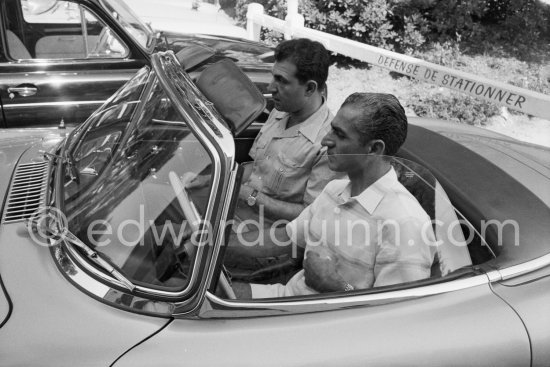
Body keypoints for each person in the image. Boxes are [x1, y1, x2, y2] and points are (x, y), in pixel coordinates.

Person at [230, 92, 436, 298]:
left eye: (340, 134)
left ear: (374, 148)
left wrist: (334, 286)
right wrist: (212, 246)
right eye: (331, 130)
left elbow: (393, 315)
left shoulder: (406, 223)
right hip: (288, 298)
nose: (326, 141)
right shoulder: (334, 190)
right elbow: (285, 238)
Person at [234, 38, 342, 227]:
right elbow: (256, 168)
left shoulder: (328, 144)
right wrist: (212, 180)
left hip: (266, 237)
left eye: (281, 81)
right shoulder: (280, 110)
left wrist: (251, 196)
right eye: (273, 76)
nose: (270, 88)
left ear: (309, 88)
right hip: (236, 211)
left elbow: (311, 215)